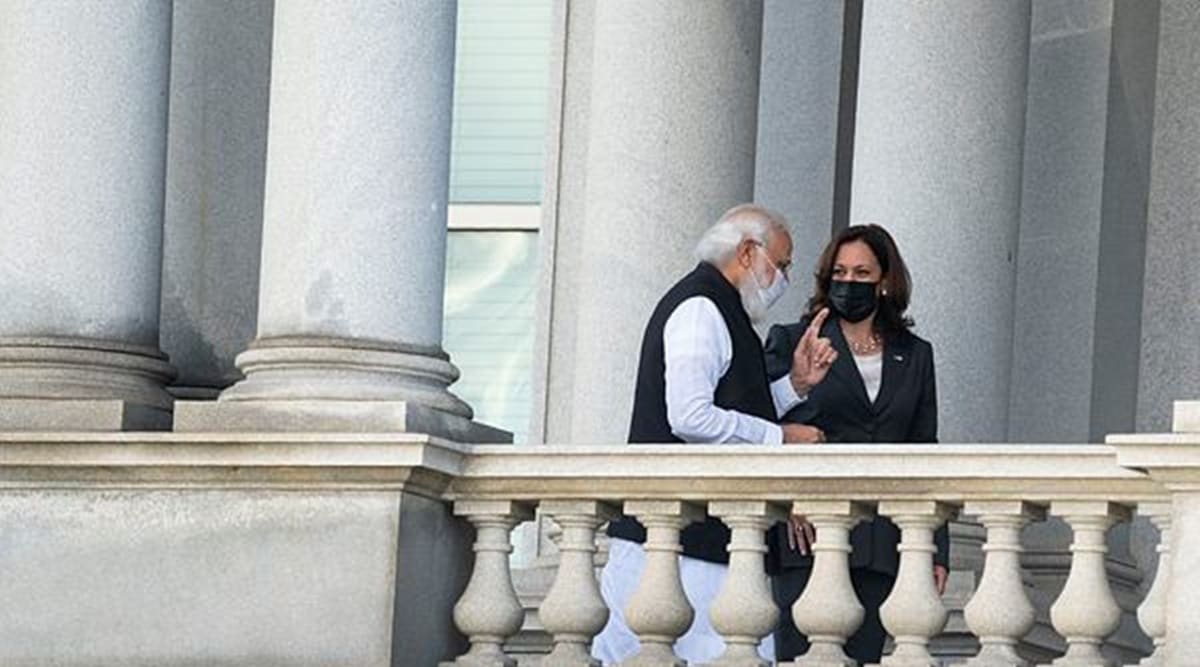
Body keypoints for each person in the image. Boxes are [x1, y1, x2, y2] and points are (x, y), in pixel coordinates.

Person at [593, 204, 838, 664]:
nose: (782, 278)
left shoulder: (723, 308)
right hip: (684, 552)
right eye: (781, 264)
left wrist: (795, 385)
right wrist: (781, 439)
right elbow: (690, 417)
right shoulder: (702, 307)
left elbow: (732, 407)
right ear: (748, 252)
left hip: (699, 547)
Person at [763, 224, 948, 664]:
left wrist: (936, 546)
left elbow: (925, 447)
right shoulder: (792, 340)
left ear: (884, 280)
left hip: (881, 542)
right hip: (806, 536)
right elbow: (763, 426)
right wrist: (789, 499)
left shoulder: (915, 353)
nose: (849, 282)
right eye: (839, 272)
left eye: (862, 272)